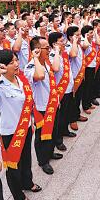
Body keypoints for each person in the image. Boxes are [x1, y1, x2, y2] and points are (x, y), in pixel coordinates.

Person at [0, 50, 42, 200]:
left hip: (26, 127)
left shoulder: (21, 79)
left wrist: (32, 121)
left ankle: (27, 182)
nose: (16, 64)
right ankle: (18, 194)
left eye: (16, 60)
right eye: (11, 62)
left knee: (26, 158)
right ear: (1, 66)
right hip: (11, 133)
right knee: (14, 164)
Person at [24, 36, 63, 175]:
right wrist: (35, 58)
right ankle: (43, 160)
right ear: (37, 50)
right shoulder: (30, 66)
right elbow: (39, 76)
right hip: (41, 107)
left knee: (53, 132)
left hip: (52, 103)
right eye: (46, 48)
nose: (49, 50)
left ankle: (50, 152)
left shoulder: (46, 63)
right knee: (42, 136)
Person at [48, 32, 75, 152]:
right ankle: (58, 140)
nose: (64, 43)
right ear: (54, 44)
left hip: (68, 88)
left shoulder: (64, 53)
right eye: (61, 41)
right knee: (59, 117)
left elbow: (73, 55)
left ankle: (65, 131)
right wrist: (57, 51)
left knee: (66, 112)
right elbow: (56, 69)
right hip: (60, 90)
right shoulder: (53, 55)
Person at [65, 26, 88, 131]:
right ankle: (72, 119)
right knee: (72, 100)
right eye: (77, 35)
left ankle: (77, 114)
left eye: (79, 35)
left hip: (81, 75)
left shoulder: (78, 45)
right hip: (73, 77)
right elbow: (73, 55)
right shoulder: (68, 46)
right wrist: (74, 41)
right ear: (70, 37)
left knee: (78, 97)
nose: (79, 37)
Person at [80, 25, 100, 114]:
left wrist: (95, 33)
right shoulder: (83, 41)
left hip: (92, 66)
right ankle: (85, 105)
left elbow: (99, 43)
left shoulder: (92, 41)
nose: (92, 34)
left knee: (90, 85)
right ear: (86, 34)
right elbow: (85, 46)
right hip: (87, 67)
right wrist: (85, 37)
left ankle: (88, 103)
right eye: (91, 33)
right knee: (86, 87)